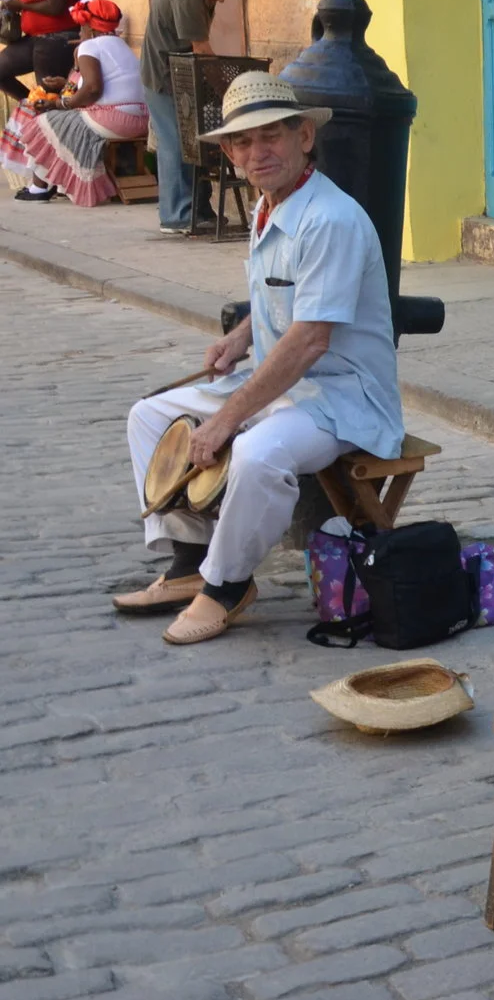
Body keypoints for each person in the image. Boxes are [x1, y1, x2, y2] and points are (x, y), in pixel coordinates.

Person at [112, 72, 402, 645]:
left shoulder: (330, 219)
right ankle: (191, 559)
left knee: (255, 454)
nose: (257, 152)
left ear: (304, 138)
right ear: (229, 152)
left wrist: (226, 416)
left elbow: (312, 338)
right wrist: (242, 335)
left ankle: (227, 583)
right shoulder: (272, 204)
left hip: (341, 399)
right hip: (282, 385)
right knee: (148, 415)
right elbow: (287, 297)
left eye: (271, 135)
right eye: (243, 141)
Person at [0, 0, 149, 205]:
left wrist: (60, 104)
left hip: (114, 120)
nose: (79, 33)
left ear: (89, 26)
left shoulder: (89, 46)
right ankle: (47, 185)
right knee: (58, 120)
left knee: (41, 124)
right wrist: (67, 83)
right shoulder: (120, 45)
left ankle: (39, 188)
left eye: (81, 28)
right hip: (142, 120)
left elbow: (93, 89)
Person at [140, 0, 244, 235]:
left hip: (181, 75)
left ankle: (198, 210)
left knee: (191, 142)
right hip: (166, 78)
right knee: (177, 143)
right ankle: (177, 215)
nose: (222, 0)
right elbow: (202, 51)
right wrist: (227, 91)